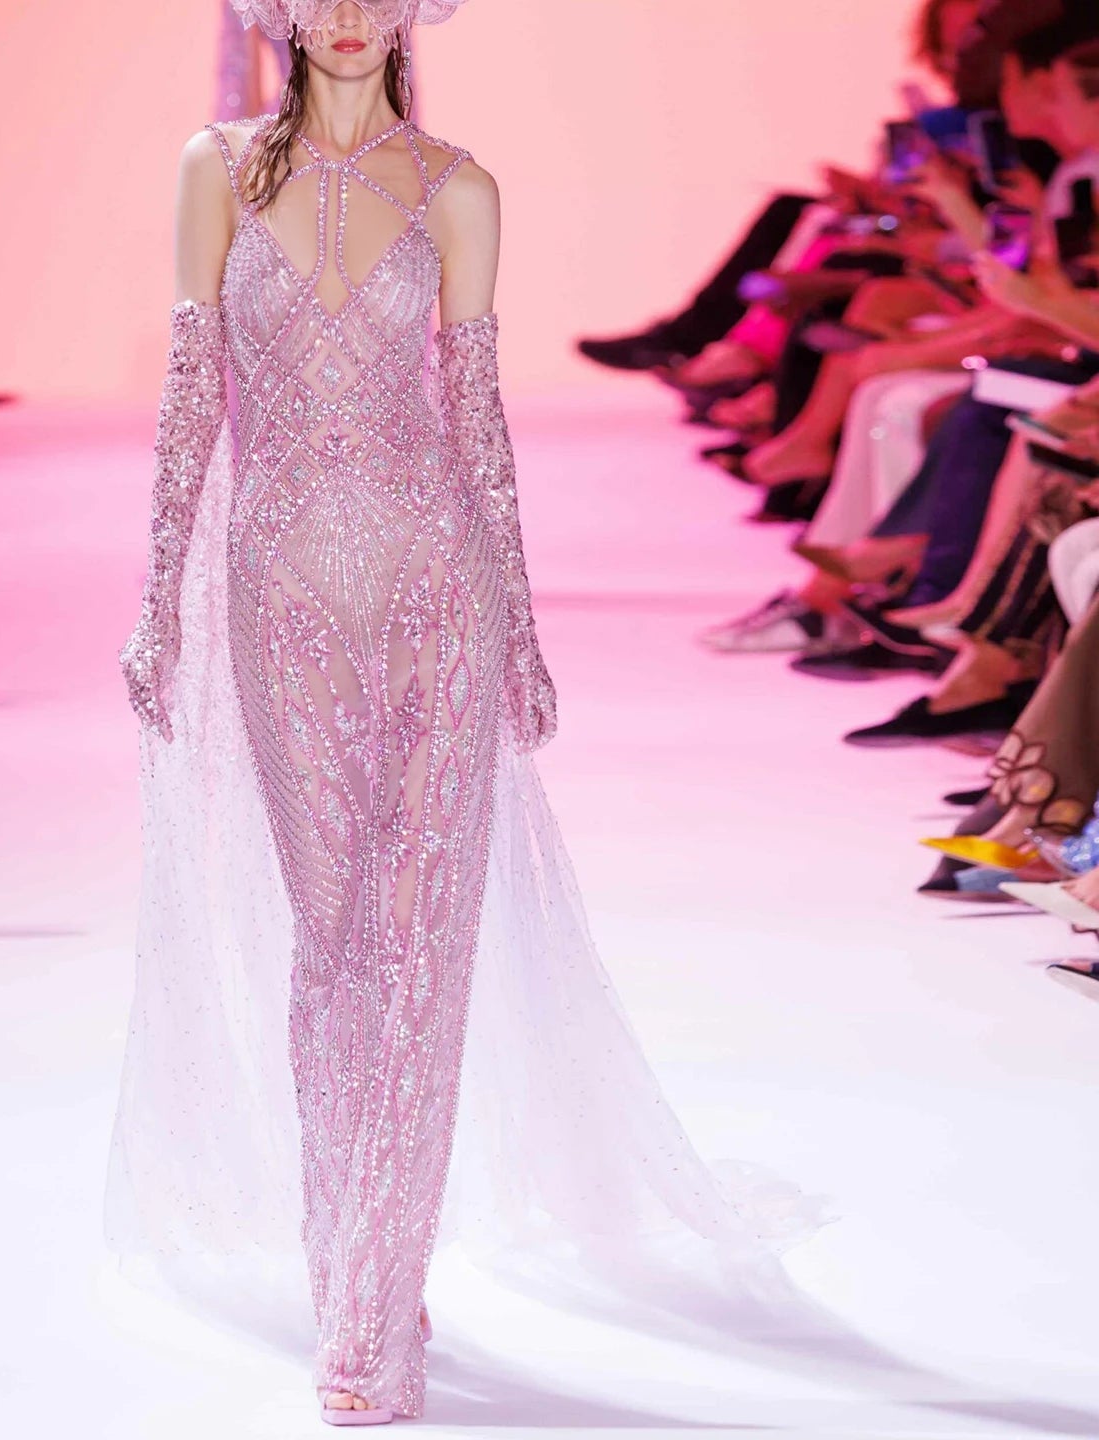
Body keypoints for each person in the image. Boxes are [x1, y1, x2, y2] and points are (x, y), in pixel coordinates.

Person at [111, 0, 816, 1427]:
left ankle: (373, 1310)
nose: (351, 16)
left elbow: (479, 422)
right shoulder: (212, 167)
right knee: (333, 951)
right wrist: (159, 593)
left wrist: (525, 627)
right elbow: (192, 401)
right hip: (280, 594)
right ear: (279, 10)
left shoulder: (460, 187)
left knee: (423, 958)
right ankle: (351, 1253)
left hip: (441, 589)